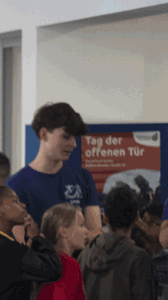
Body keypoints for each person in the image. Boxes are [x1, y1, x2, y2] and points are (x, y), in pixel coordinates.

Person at [6, 102, 100, 237]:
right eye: (66, 137)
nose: (73, 144)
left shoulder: (83, 177)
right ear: (44, 134)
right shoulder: (16, 185)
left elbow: (95, 234)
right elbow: (24, 244)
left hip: (81, 258)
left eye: (75, 138)